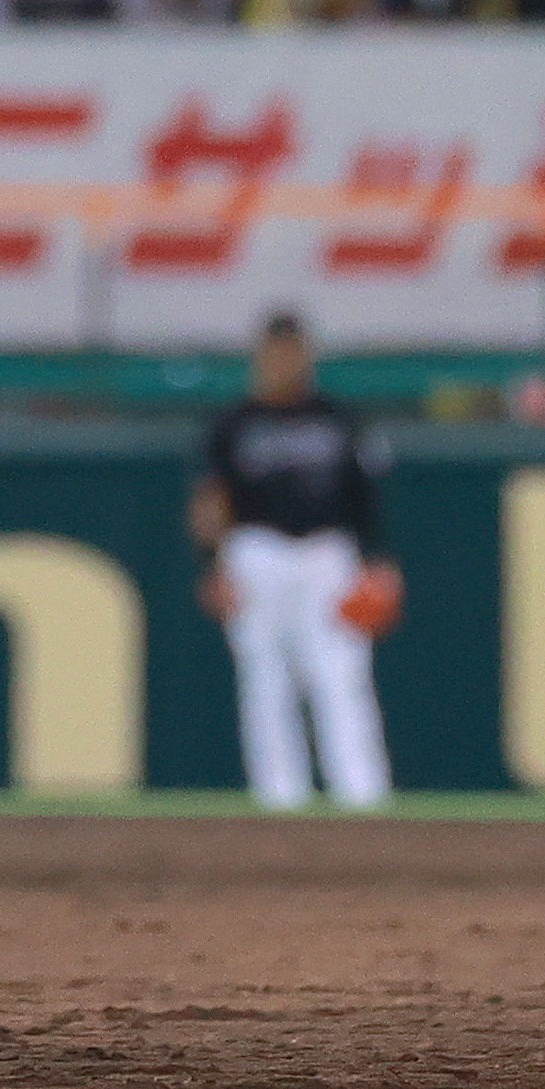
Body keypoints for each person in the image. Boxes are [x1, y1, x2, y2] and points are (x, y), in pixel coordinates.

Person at [190, 310, 395, 811]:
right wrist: (212, 564)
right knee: (265, 680)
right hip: (256, 552)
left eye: (293, 349)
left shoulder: (337, 418)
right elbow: (211, 500)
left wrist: (377, 562)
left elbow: (365, 498)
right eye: (276, 350)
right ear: (260, 357)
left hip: (327, 553)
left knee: (341, 674)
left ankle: (362, 797)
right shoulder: (235, 423)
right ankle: (279, 800)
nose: (285, 360)